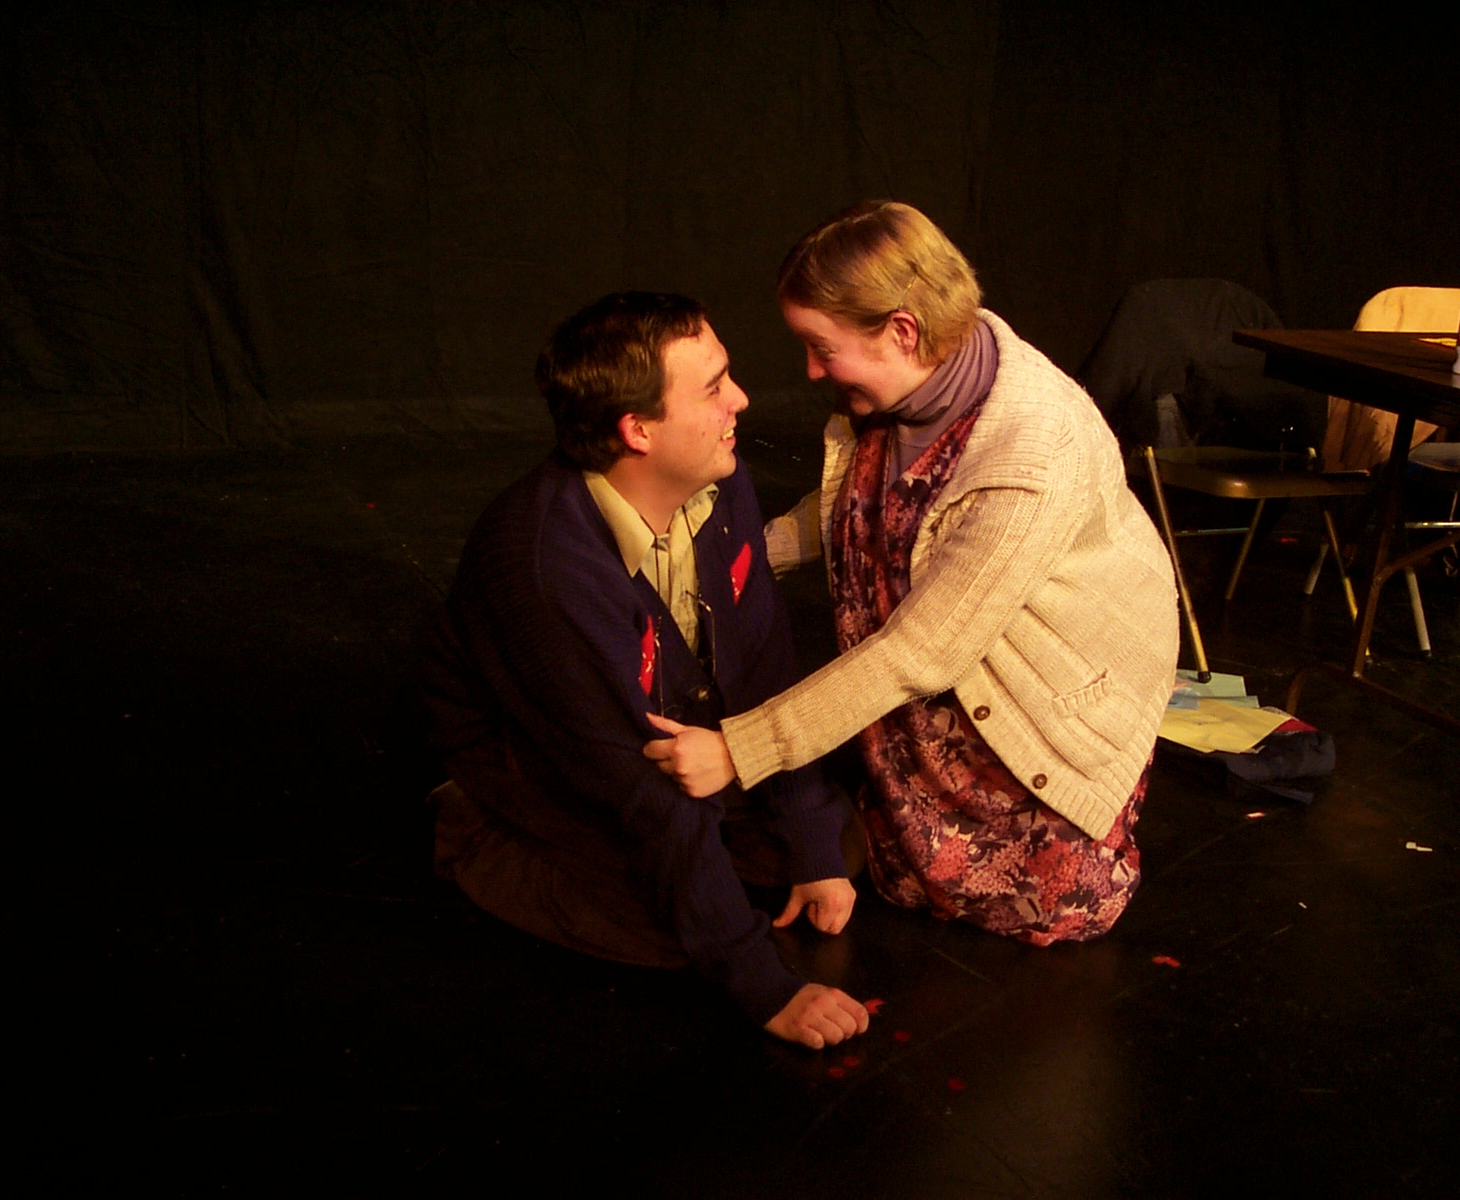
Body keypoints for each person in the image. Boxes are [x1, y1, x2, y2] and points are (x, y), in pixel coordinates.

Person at [645, 203, 1179, 947]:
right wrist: (730, 555)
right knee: (896, 872)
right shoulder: (905, 385)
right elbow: (854, 509)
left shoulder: (1032, 453)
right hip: (926, 687)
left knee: (1059, 907)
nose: (809, 370)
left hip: (1032, 705)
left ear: (902, 330)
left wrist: (739, 751)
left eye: (820, 347)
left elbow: (922, 653)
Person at [420, 291, 869, 1048]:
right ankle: (472, 825)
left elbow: (762, 668)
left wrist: (811, 843)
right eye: (714, 387)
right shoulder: (547, 567)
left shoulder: (722, 484)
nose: (742, 399)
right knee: (671, 933)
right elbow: (634, 782)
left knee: (837, 841)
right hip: (546, 756)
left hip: (668, 733)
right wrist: (764, 987)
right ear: (638, 430)